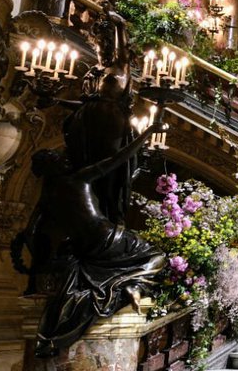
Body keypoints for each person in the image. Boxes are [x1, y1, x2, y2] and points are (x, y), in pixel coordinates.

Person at [14, 106, 169, 356]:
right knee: (157, 256)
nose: (65, 159)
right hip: (107, 237)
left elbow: (31, 232)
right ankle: (129, 284)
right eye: (59, 159)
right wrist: (148, 131)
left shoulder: (48, 196)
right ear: (55, 165)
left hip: (84, 247)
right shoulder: (78, 179)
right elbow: (118, 158)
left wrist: (43, 262)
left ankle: (124, 283)